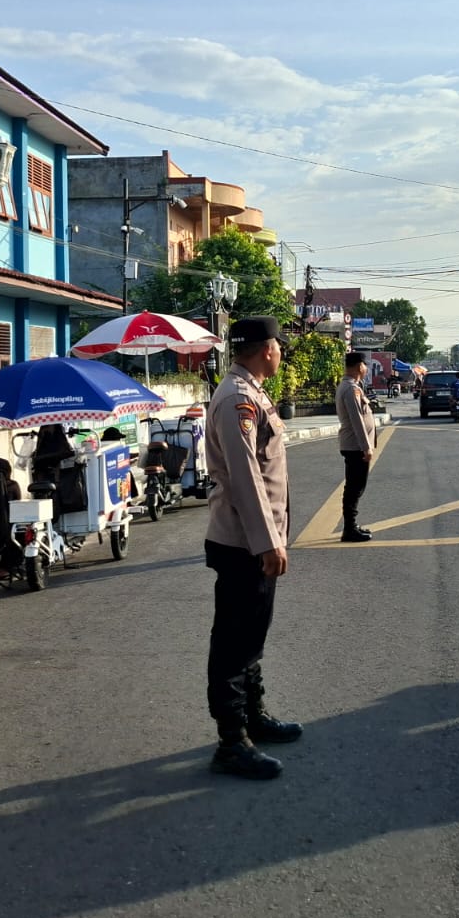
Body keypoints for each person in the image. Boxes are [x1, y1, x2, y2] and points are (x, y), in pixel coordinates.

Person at [203, 315, 301, 780]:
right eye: (279, 345)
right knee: (234, 643)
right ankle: (231, 741)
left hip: (254, 540)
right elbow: (245, 478)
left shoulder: (250, 392)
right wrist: (268, 542)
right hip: (244, 543)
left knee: (251, 638)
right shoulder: (238, 399)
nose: (281, 352)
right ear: (266, 349)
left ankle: (254, 719)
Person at [335, 350, 376, 542]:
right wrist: (366, 447)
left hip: (355, 444)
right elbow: (356, 420)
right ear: (360, 366)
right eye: (365, 365)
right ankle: (349, 529)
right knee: (354, 487)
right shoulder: (350, 389)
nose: (366, 369)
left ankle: (351, 526)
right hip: (355, 446)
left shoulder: (353, 386)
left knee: (356, 486)